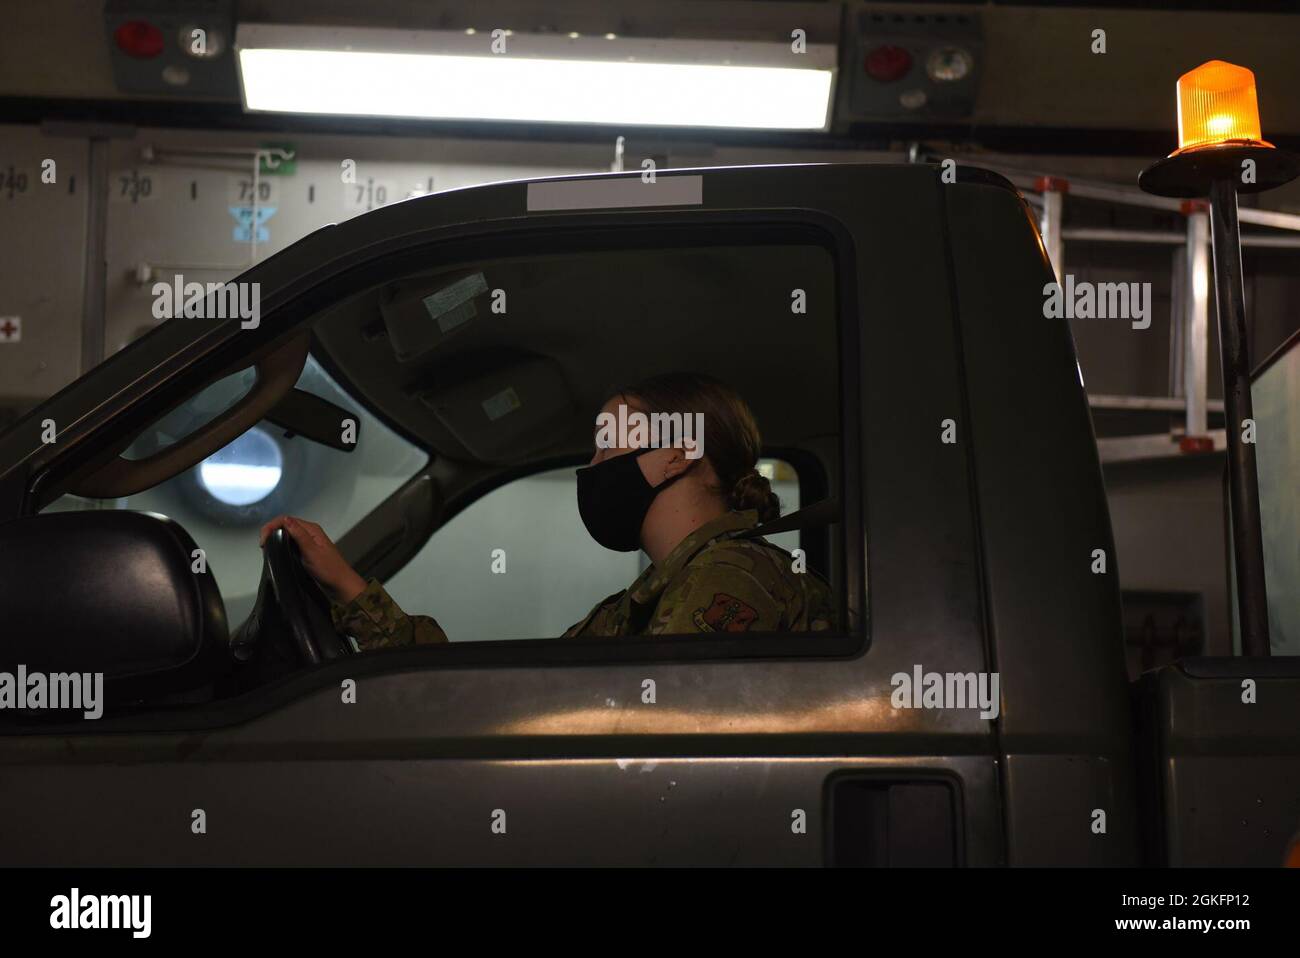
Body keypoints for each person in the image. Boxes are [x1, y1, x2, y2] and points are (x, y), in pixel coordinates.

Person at [260, 372, 835, 648]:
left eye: (609, 441)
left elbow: (654, 747)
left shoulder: (732, 578)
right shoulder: (654, 596)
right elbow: (499, 692)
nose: (595, 465)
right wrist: (347, 590)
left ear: (678, 453)